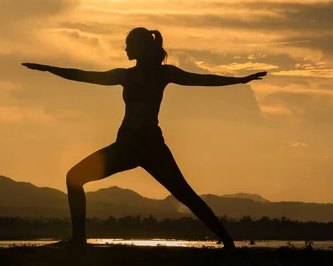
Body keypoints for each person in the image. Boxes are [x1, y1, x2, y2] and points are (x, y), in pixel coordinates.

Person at [22, 27, 267, 249]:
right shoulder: (128, 75)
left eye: (129, 44)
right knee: (183, 194)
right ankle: (228, 242)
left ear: (140, 47)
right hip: (138, 144)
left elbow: (201, 80)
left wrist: (239, 80)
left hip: (140, 144)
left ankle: (78, 240)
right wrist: (49, 69)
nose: (125, 48)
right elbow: (84, 75)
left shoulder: (155, 74)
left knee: (77, 179)